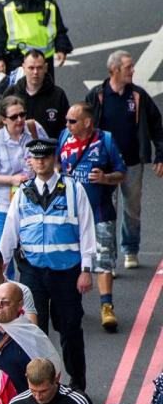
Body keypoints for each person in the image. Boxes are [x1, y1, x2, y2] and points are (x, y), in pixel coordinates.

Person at [0, 139, 96, 392]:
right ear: (30, 160)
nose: (40, 162)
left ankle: (77, 383)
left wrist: (86, 270)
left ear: (54, 160)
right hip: (32, 271)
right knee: (33, 330)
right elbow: (10, 231)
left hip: (67, 272)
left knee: (70, 328)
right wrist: (0, 269)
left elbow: (87, 231)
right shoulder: (22, 192)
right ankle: (38, 382)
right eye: (35, 157)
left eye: (45, 157)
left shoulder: (74, 190)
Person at [85, 50, 163, 269]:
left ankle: (130, 249)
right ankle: (108, 259)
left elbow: (157, 125)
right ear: (114, 70)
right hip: (104, 166)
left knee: (132, 209)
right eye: (128, 67)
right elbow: (82, 125)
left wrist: (160, 154)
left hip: (132, 163)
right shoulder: (96, 96)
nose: (133, 70)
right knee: (106, 211)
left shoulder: (138, 96)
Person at [57, 102, 126, 331]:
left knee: (103, 260)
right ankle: (72, 303)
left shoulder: (105, 140)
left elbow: (121, 173)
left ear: (87, 122)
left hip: (100, 212)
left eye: (72, 121)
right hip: (70, 213)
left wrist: (106, 178)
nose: (67, 125)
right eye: (66, 120)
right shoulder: (63, 137)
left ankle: (107, 306)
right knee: (70, 258)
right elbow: (57, 164)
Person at [0, 96, 50, 250]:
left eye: (22, 115)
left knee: (34, 250)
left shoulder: (33, 128)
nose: (19, 120)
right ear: (4, 120)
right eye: (13, 117)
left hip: (34, 203)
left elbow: (51, 156)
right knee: (5, 254)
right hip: (4, 205)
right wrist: (11, 180)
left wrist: (39, 163)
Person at [0, 283, 63, 394]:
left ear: (20, 305)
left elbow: (51, 371)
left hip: (19, 401)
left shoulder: (32, 335)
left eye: (5, 302)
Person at [2, 50, 71, 145]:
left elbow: (67, 129)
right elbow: (0, 126)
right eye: (31, 68)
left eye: (39, 68)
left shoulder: (58, 95)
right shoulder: (11, 93)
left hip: (48, 155)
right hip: (16, 155)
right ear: (24, 68)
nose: (35, 72)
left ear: (46, 68)